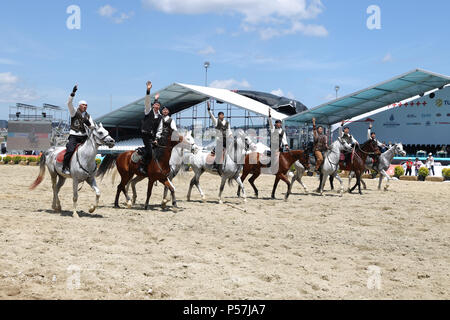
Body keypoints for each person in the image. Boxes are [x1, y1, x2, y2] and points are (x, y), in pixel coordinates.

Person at [62, 85, 95, 175]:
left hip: (84, 136)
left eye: (86, 105)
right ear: (79, 105)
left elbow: (92, 126)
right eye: (83, 105)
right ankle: (65, 167)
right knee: (70, 150)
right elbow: (69, 103)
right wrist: (73, 93)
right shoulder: (74, 112)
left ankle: (90, 168)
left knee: (91, 150)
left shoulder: (88, 116)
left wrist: (88, 123)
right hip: (74, 135)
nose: (85, 106)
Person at [139, 81, 163, 175]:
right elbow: (147, 102)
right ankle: (142, 166)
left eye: (158, 105)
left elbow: (160, 129)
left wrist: (157, 139)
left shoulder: (160, 117)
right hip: (145, 134)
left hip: (153, 136)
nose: (157, 106)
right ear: (153, 105)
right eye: (155, 104)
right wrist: (148, 91)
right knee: (149, 151)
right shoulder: (148, 111)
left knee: (159, 151)